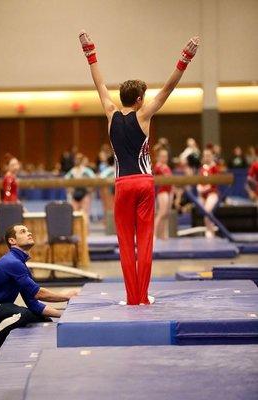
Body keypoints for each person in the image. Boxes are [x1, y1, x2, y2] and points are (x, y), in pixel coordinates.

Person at [79, 30, 199, 305]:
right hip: (144, 183)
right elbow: (168, 88)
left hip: (122, 185)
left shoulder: (110, 113)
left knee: (125, 243)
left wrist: (90, 53)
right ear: (139, 100)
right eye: (144, 95)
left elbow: (99, 84)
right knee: (144, 241)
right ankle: (142, 297)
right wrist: (185, 59)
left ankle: (131, 297)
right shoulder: (144, 114)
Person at [0, 224, 79, 365]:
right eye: (23, 232)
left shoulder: (20, 265)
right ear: (12, 241)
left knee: (41, 318)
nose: (29, 233)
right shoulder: (11, 262)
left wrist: (64, 315)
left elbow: (33, 303)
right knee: (24, 314)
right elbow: (39, 294)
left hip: (1, 308)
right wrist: (66, 296)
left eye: (28, 230)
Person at [197, 149, 219, 238]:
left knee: (207, 212)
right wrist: (199, 188)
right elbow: (198, 181)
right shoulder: (202, 168)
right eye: (205, 155)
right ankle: (211, 231)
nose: (207, 157)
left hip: (212, 193)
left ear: (212, 156)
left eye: (209, 155)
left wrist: (205, 188)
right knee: (206, 214)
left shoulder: (214, 167)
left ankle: (209, 232)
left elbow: (214, 183)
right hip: (203, 194)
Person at [153, 149, 173, 240]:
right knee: (161, 213)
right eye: (163, 156)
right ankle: (154, 234)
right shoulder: (158, 166)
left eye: (166, 156)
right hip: (162, 191)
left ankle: (163, 235)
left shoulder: (166, 167)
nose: (165, 158)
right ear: (159, 157)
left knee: (166, 214)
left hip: (169, 191)